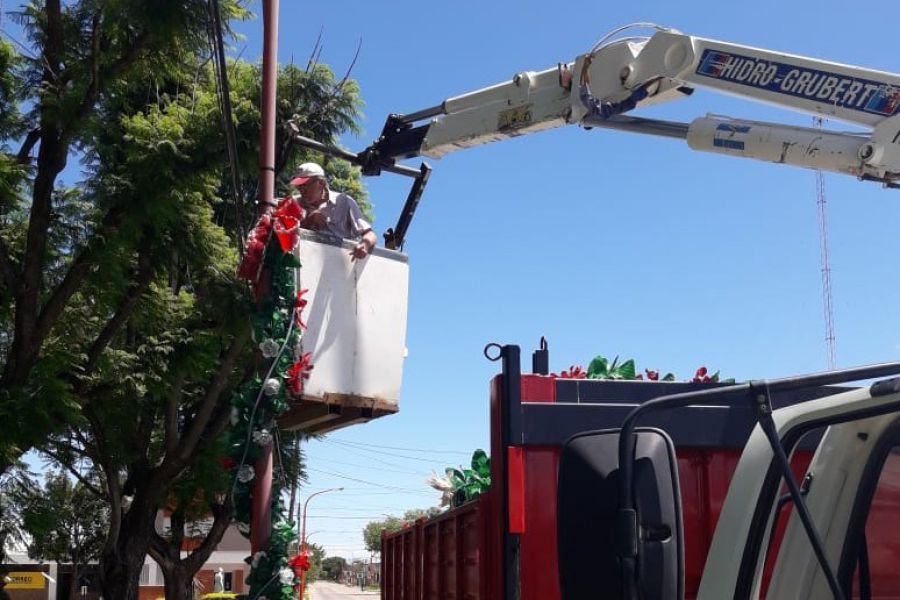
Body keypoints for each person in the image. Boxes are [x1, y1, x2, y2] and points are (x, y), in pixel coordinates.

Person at [290, 162, 378, 260]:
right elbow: (284, 238)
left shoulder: (344, 201)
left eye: (305, 185)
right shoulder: (292, 203)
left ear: (321, 183)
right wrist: (307, 223)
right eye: (299, 186)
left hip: (338, 265)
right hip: (303, 263)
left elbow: (370, 234)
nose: (302, 190)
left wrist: (364, 245)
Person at [579, 53, 659, 119]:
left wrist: (586, 66)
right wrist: (586, 65)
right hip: (609, 110)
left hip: (610, 110)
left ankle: (658, 77)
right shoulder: (594, 108)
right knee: (632, 99)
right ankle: (658, 77)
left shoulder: (591, 106)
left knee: (632, 100)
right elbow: (584, 85)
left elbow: (584, 85)